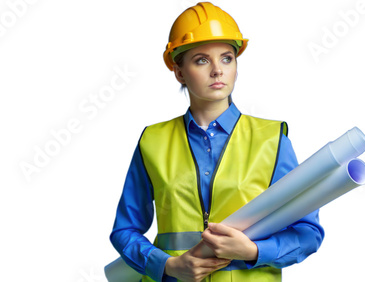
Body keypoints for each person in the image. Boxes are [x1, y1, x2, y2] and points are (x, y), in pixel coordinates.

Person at [110, 2, 324, 281]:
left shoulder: (272, 140)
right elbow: (125, 231)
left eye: (226, 58)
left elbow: (308, 232)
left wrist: (254, 251)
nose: (217, 70)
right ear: (179, 71)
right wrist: (167, 266)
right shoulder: (153, 141)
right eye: (201, 60)